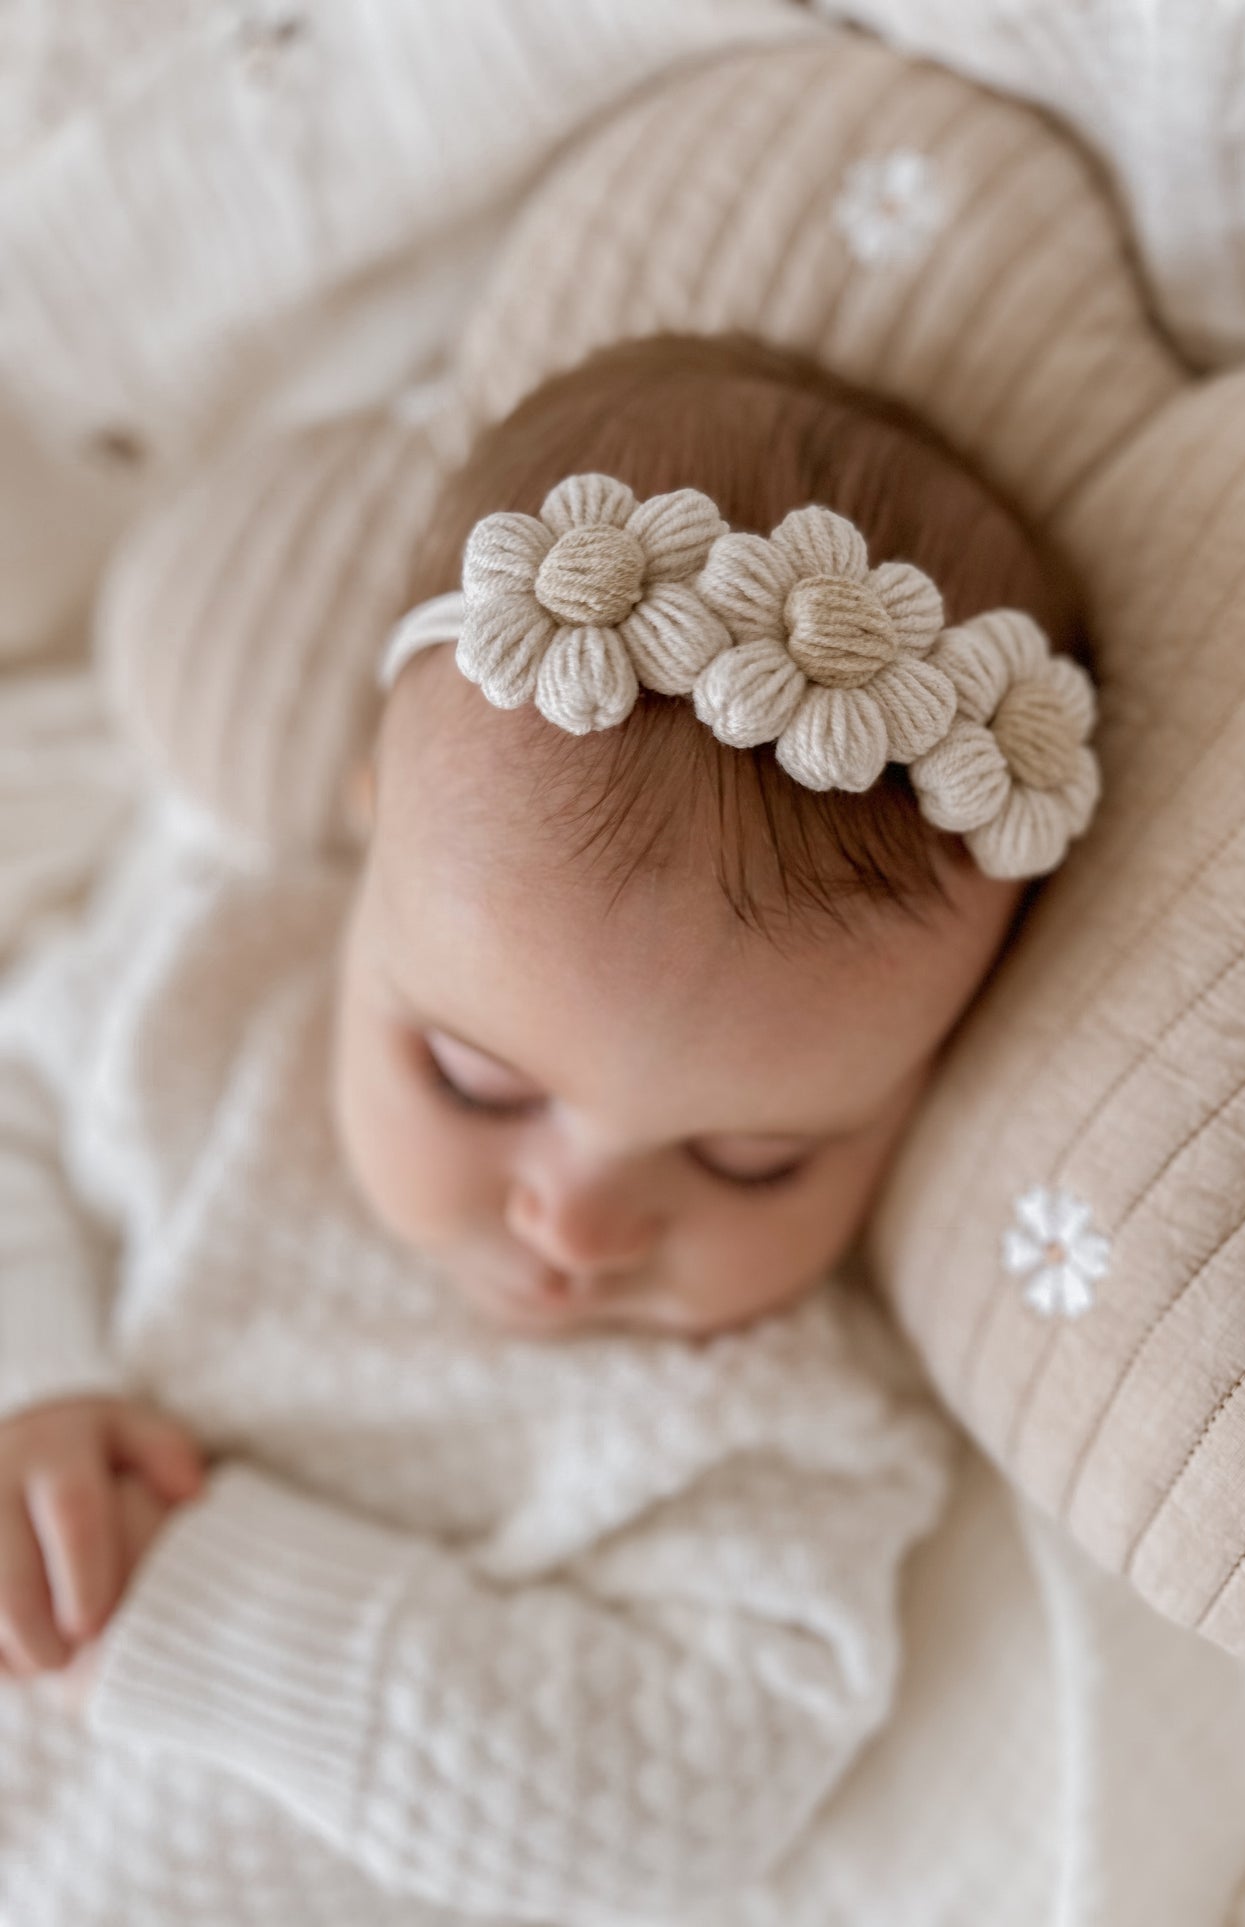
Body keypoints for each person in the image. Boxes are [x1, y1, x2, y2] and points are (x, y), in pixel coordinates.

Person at [0, 335, 1098, 1923]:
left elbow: (659, 1811)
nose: (575, 1227)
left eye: (751, 1161)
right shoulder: (209, 996)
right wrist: (30, 1380)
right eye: (471, 1078)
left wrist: (191, 1621)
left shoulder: (773, 1429)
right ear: (374, 820)